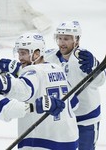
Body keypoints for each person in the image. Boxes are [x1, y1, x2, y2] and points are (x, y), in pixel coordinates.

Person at [0, 32, 79, 149]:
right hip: (69, 137)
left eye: (24, 53)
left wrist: (2, 82)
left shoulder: (33, 72)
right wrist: (17, 71)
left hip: (43, 140)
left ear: (36, 53)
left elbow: (23, 89)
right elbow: (74, 103)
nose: (20, 58)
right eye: (19, 53)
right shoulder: (57, 69)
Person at [44, 21, 106, 150]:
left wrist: (93, 66)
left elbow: (100, 81)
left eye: (66, 39)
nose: (62, 42)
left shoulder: (84, 57)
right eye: (59, 38)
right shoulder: (50, 57)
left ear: (76, 40)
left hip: (86, 117)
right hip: (63, 117)